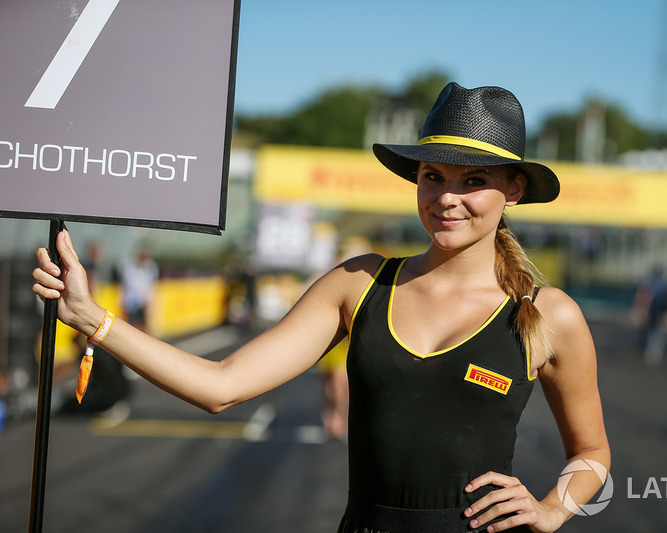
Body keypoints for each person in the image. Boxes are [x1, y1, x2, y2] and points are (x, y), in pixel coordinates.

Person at [33, 83, 610, 533]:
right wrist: (92, 319)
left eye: (474, 180)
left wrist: (553, 508)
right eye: (433, 176)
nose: (447, 198)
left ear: (512, 191)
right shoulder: (358, 284)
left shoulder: (546, 314)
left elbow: (592, 453)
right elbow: (220, 386)